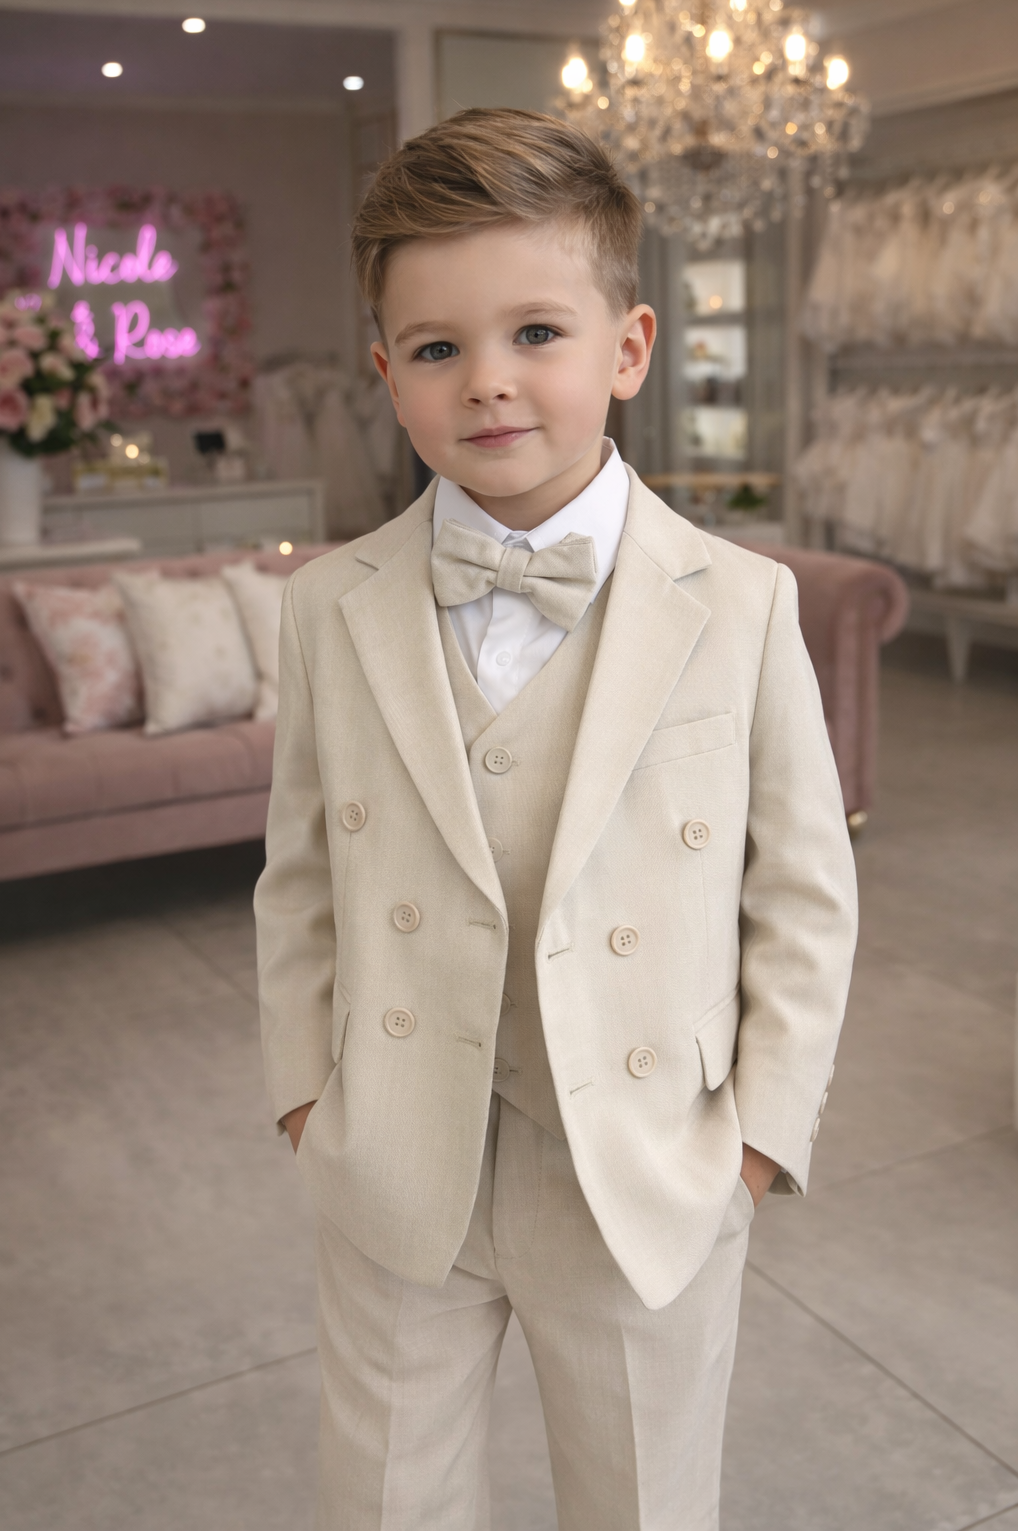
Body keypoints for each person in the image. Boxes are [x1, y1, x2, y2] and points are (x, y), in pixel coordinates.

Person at [255, 108, 857, 1531]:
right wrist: (305, 1100)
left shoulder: (744, 603)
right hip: (397, 1151)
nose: (489, 382)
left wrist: (756, 1142)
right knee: (384, 1499)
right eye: (437, 347)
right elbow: (301, 875)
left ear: (629, 348)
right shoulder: (329, 605)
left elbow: (803, 891)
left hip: (644, 1164)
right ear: (385, 371)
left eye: (537, 332)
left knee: (644, 1501)